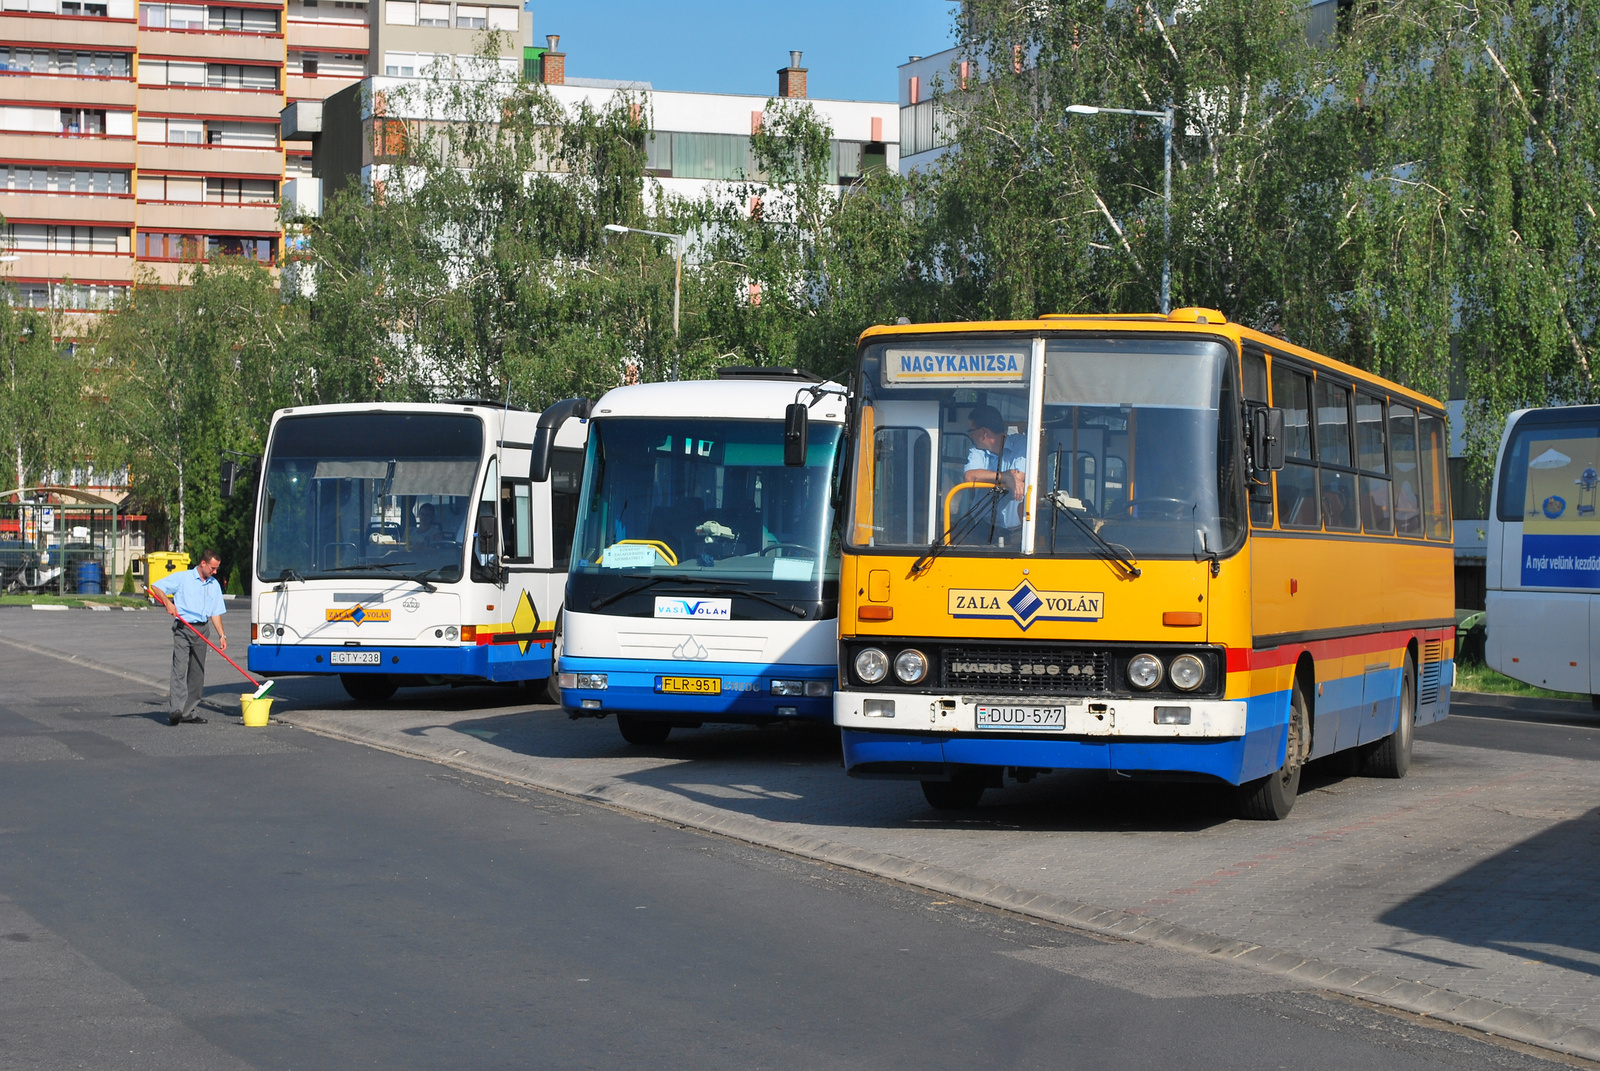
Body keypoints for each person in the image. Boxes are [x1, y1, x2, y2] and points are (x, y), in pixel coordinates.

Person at [149, 549, 227, 726]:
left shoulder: (213, 584)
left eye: (216, 569)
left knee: (197, 672)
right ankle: (175, 709)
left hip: (202, 630)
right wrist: (168, 603)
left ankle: (188, 712)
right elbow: (156, 587)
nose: (215, 572)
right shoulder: (183, 578)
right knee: (180, 668)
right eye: (213, 568)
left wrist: (222, 635)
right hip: (184, 628)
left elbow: (215, 613)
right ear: (203, 564)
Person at [964, 405, 1028, 537]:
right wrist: (1004, 477)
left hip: (1016, 532)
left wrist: (987, 476)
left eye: (971, 430)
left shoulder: (1022, 443)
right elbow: (969, 477)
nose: (970, 435)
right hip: (981, 528)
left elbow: (1019, 475)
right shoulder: (976, 450)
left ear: (984, 432)